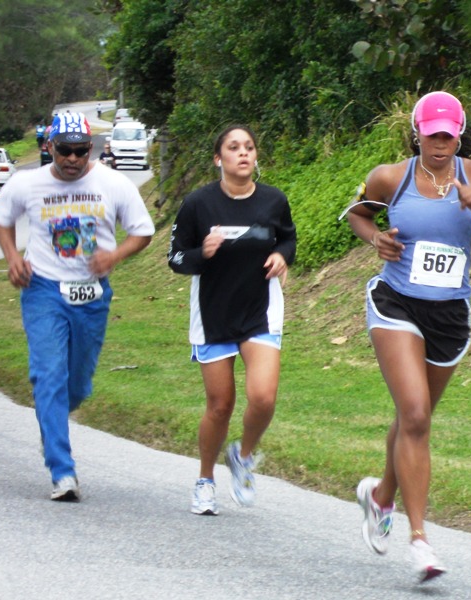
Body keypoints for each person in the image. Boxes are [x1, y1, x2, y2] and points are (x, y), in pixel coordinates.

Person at [345, 91, 471, 582]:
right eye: (431, 135)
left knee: (414, 417)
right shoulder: (392, 177)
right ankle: (420, 541)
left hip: (449, 315)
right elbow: (358, 214)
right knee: (416, 414)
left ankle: (380, 496)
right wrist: (376, 238)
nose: (440, 144)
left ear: (459, 136)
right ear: (417, 134)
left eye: (447, 136)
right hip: (396, 302)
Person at [0, 112, 155, 502]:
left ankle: (52, 425)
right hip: (43, 289)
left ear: (90, 150)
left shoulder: (112, 183)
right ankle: (62, 470)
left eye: (81, 151)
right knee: (49, 375)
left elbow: (143, 231)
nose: (73, 159)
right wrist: (12, 257)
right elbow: (1, 217)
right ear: (49, 147)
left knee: (77, 386)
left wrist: (113, 256)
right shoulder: (27, 183)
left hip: (91, 295)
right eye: (65, 150)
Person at [167, 125, 296, 516]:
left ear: (256, 156)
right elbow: (176, 257)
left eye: (249, 147)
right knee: (220, 406)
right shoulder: (198, 204)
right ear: (218, 158)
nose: (243, 153)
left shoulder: (274, 200)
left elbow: (287, 238)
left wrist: (282, 256)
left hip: (260, 311)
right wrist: (201, 253)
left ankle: (243, 456)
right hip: (213, 314)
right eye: (234, 147)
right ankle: (205, 480)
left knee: (264, 397)